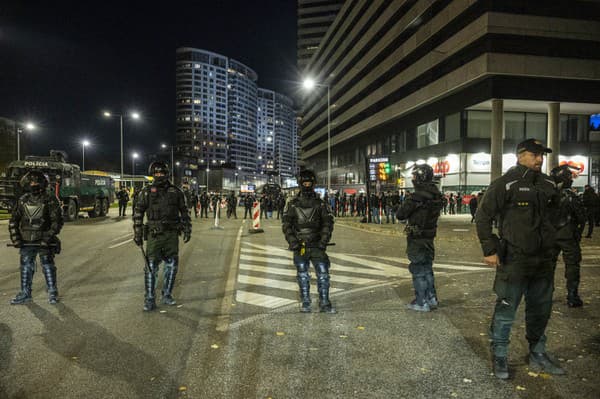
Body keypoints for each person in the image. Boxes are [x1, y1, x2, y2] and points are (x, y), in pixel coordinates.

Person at [475, 138, 564, 380]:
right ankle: (500, 355)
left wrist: (558, 242)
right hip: (514, 259)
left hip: (544, 261)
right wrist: (489, 250)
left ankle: (538, 352)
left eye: (542, 154)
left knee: (540, 310)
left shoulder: (548, 184)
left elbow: (556, 217)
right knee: (506, 310)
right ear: (520, 155)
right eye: (534, 154)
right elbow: (482, 218)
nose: (539, 159)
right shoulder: (505, 184)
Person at [133, 162, 192, 312]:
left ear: (166, 174)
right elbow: (138, 213)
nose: (159, 176)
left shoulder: (176, 192)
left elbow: (184, 211)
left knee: (172, 266)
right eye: (156, 173)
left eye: (161, 173)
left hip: (171, 235)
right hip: (154, 235)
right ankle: (149, 299)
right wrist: (138, 233)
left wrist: (187, 229)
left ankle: (167, 295)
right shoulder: (146, 192)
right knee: (150, 267)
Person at [282, 170, 335, 313]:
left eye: (309, 183)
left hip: (317, 244)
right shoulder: (292, 204)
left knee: (323, 274)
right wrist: (293, 241)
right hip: (300, 245)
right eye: (304, 183)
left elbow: (327, 224)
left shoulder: (320, 204)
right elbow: (286, 225)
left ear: (313, 184)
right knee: (302, 275)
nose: (307, 185)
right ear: (300, 184)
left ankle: (324, 302)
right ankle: (306, 302)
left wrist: (323, 241)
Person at [9, 171, 64, 305]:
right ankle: (25, 293)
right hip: (26, 240)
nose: (33, 184)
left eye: (36, 182)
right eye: (31, 182)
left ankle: (52, 292)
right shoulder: (22, 200)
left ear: (42, 183)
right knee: (26, 266)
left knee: (48, 265)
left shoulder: (50, 199)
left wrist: (47, 238)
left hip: (44, 239)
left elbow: (57, 222)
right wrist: (16, 238)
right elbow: (13, 221)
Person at [396, 164, 443, 312]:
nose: (413, 179)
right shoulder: (437, 195)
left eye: (414, 176)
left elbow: (401, 214)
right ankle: (432, 298)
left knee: (418, 269)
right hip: (430, 236)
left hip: (417, 237)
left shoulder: (417, 197)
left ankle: (421, 301)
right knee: (427, 268)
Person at [550, 165, 586, 307]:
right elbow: (581, 218)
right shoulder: (572, 197)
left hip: (551, 235)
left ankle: (546, 294)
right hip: (568, 235)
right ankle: (572, 295)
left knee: (548, 266)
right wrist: (577, 233)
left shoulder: (548, 195)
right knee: (572, 265)